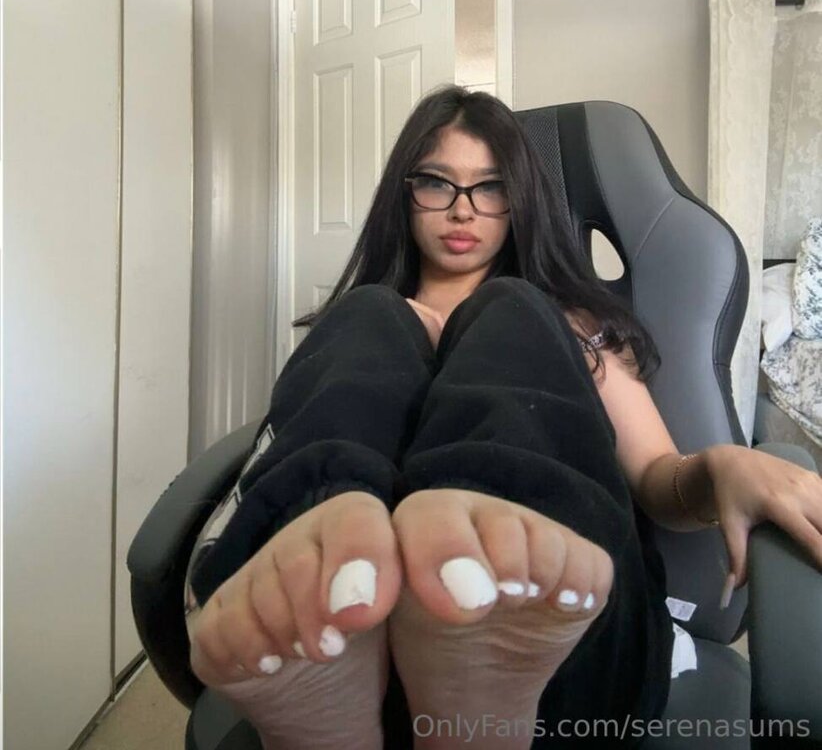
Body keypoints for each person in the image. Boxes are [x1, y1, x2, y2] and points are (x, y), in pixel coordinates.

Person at [184, 85, 822, 750]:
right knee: (368, 311)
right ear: (405, 195)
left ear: (520, 202)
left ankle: (486, 593)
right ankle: (332, 597)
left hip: (573, 650)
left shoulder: (561, 321)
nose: (463, 209)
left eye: (490, 187)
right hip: (369, 642)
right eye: (438, 182)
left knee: (510, 307)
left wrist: (721, 466)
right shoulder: (363, 327)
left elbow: (659, 477)